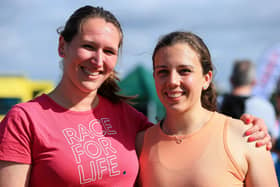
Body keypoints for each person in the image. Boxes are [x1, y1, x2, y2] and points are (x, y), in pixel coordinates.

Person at [0, 6, 273, 187]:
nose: (97, 60)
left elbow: (185, 140)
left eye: (109, 51)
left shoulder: (130, 121)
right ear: (63, 46)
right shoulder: (25, 119)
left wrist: (250, 131)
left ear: (207, 78)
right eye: (88, 46)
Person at [136, 31, 278, 186]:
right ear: (154, 77)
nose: (172, 81)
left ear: (206, 79)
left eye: (184, 71)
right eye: (163, 72)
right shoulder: (141, 144)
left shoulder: (247, 137)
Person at [219, 60, 279, 144]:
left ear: (231, 80)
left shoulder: (215, 103)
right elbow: (271, 140)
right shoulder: (265, 107)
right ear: (254, 82)